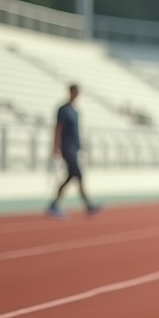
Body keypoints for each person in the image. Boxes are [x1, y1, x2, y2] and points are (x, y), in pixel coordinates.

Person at [46, 84, 102, 218]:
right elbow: (58, 128)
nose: (76, 95)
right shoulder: (63, 110)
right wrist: (55, 147)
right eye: (74, 92)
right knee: (78, 175)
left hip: (74, 148)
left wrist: (80, 147)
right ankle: (88, 205)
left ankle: (54, 205)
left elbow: (76, 131)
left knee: (71, 176)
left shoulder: (75, 111)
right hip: (66, 148)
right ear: (70, 92)